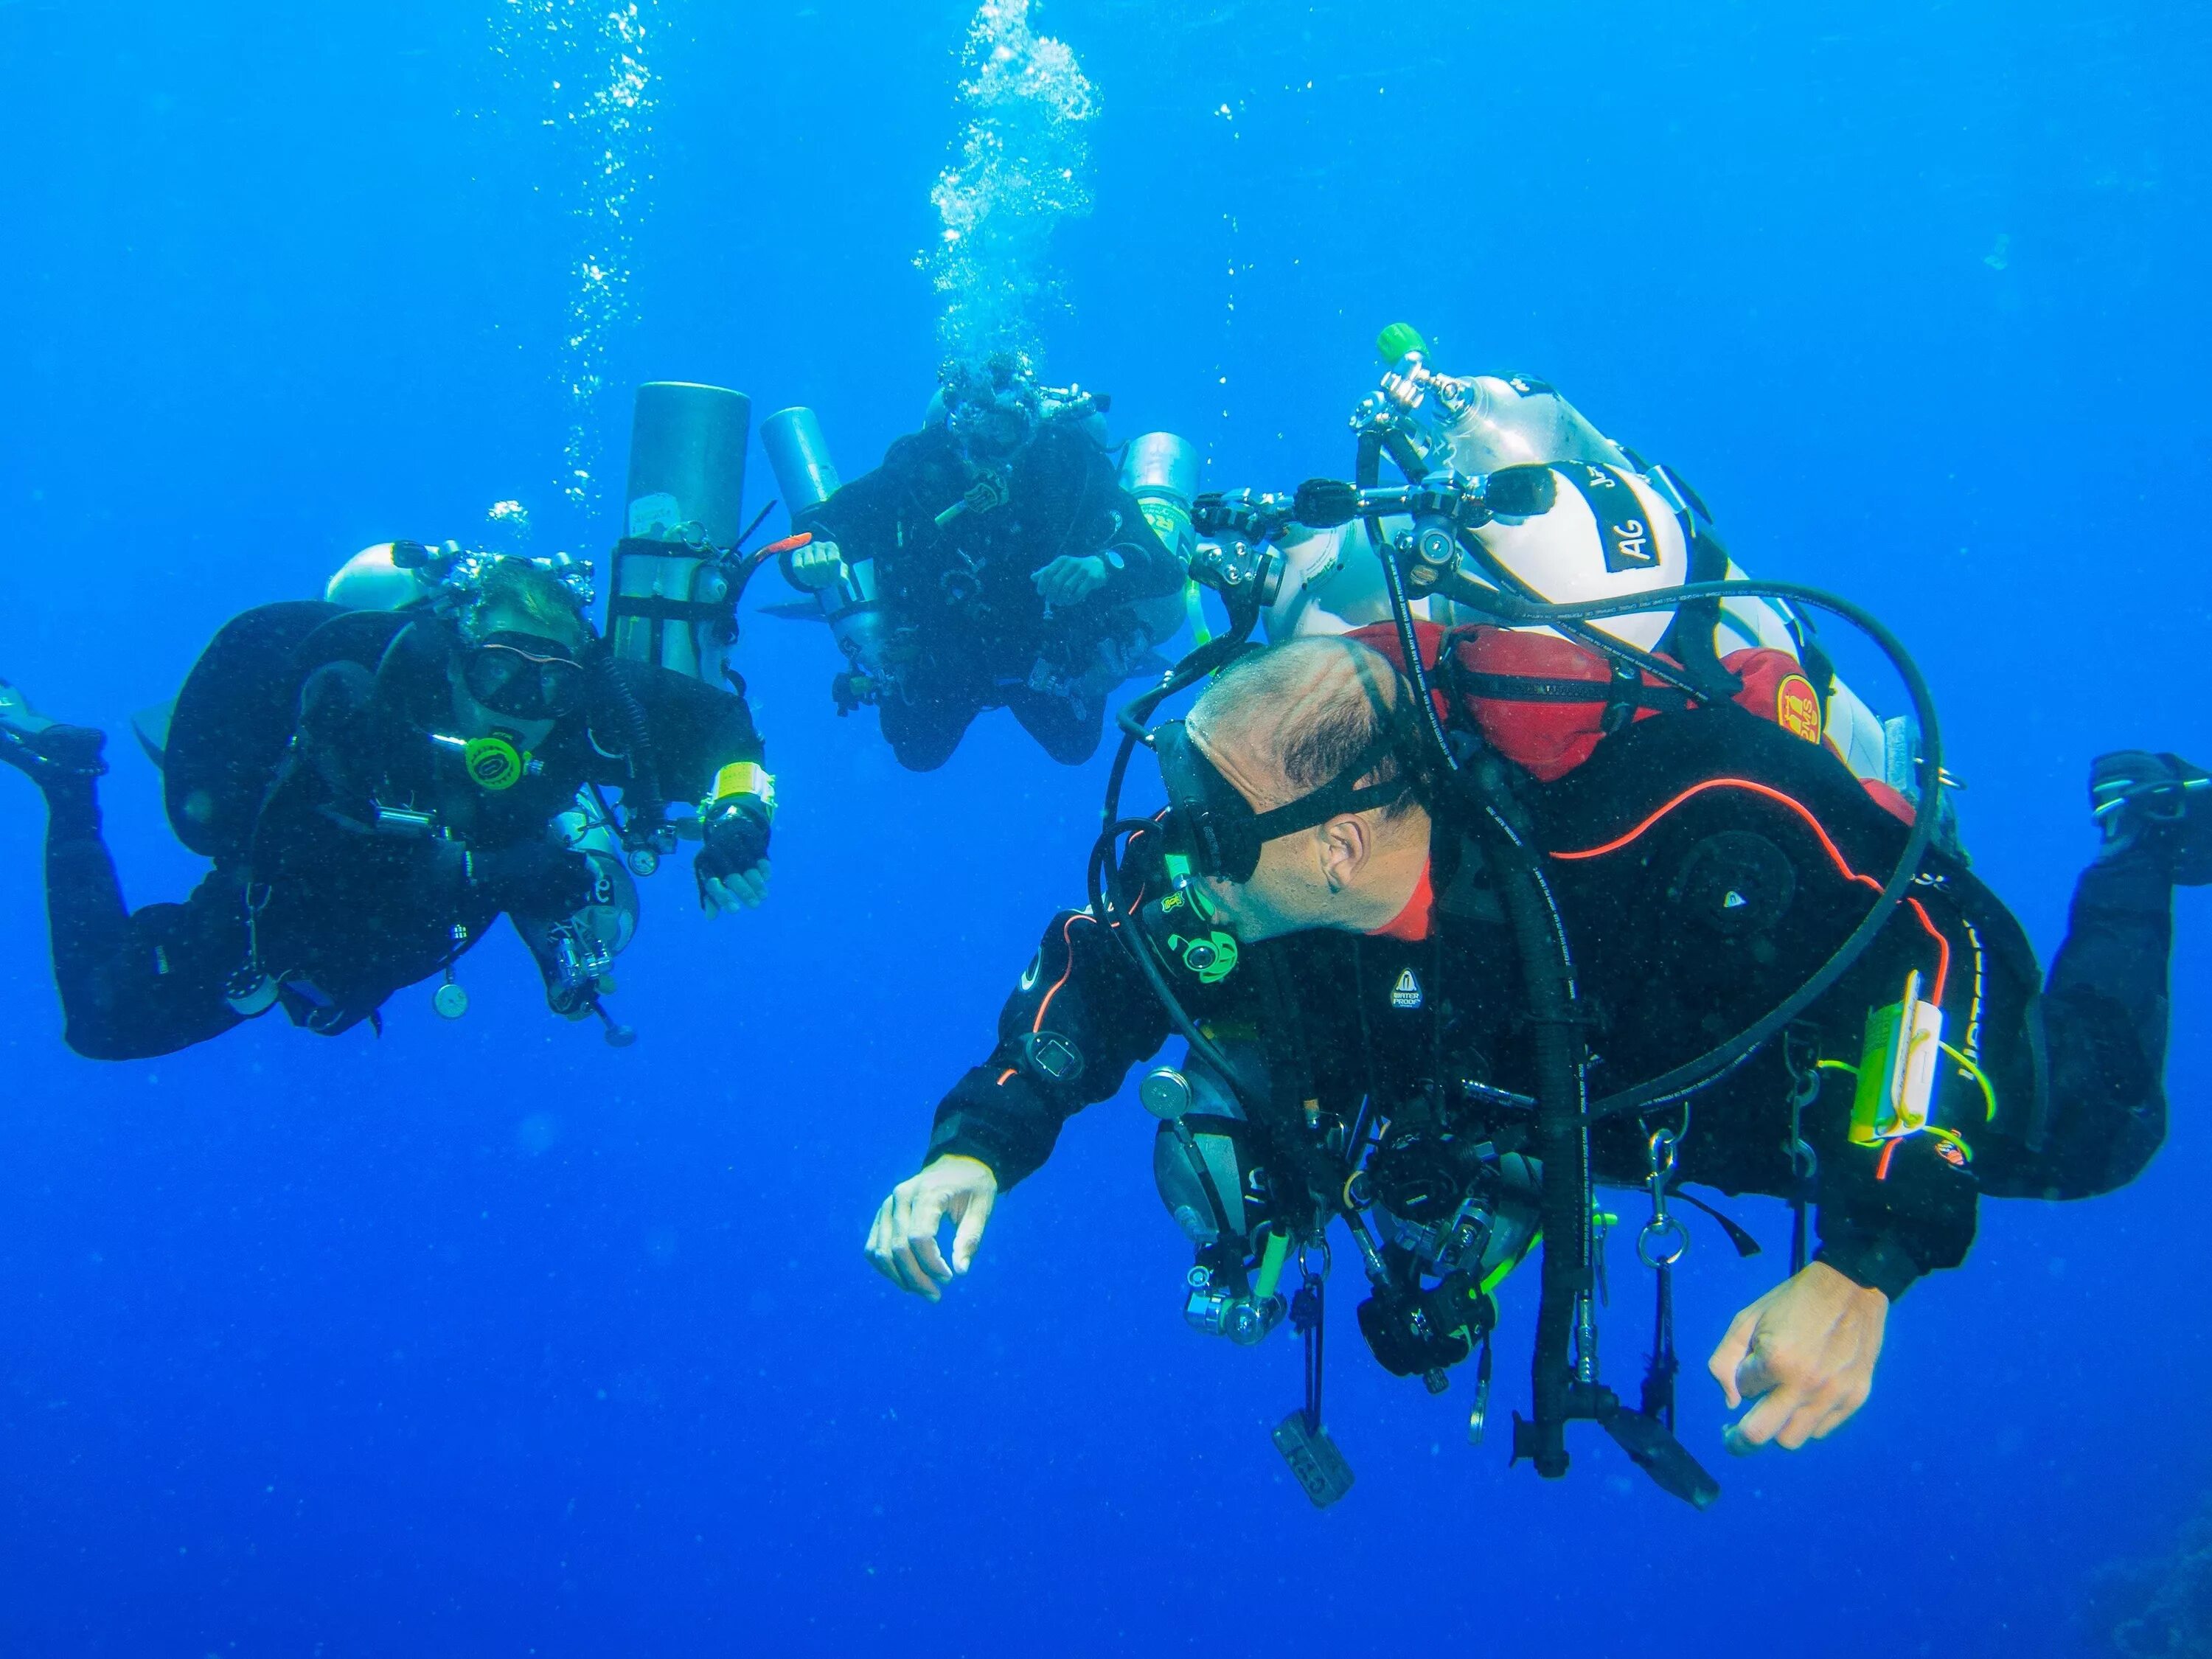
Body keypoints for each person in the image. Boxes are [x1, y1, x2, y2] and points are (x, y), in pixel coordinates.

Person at [865, 633, 2203, 1475]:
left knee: (2096, 1129)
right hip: (1555, 1101)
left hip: (1758, 1069)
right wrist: (977, 1150)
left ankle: (2142, 832)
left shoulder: (1668, 813)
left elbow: (1939, 940)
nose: (1179, 860)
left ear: (1342, 843)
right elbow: (1105, 960)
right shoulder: (1256, 867)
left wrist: (1872, 1258)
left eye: (1212, 833)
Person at [0, 551, 775, 1060]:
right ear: (460, 657)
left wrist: (738, 815)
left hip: (420, 916)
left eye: (551, 683)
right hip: (294, 909)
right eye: (499, 673)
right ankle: (68, 781)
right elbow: (290, 847)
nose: (522, 707)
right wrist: (492, 871)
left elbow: (725, 731)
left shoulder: (586, 706)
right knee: (103, 1024)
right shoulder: (364, 697)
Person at [782, 355, 1189, 771]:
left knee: (1076, 748)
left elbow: (1163, 567)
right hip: (942, 656)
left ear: (1030, 424)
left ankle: (1114, 650)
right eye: (980, 432)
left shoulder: (1067, 464)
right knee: (916, 752)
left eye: (1008, 429)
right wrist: (813, 557)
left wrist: (1103, 565)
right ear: (957, 427)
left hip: (1048, 654)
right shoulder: (918, 468)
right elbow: (821, 528)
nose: (995, 454)